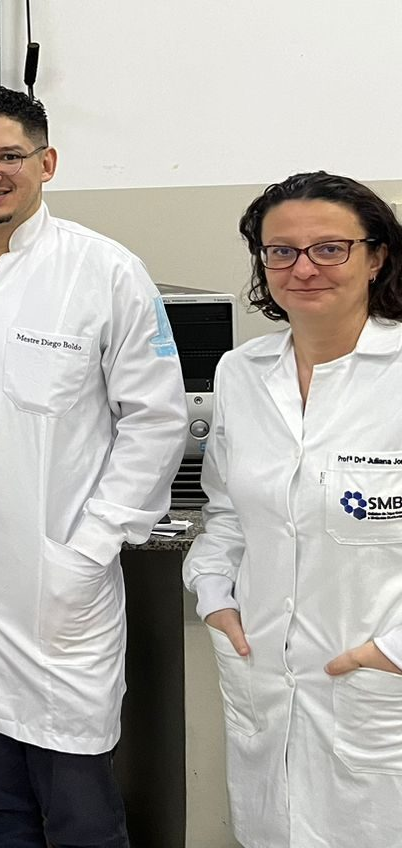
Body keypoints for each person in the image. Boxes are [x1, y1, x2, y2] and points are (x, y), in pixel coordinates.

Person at [0, 85, 188, 847]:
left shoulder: (104, 270)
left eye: (8, 157)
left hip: (55, 584)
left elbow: (156, 419)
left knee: (80, 812)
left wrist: (91, 546)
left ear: (46, 163)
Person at [184, 171, 402, 847]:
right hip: (264, 677)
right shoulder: (241, 372)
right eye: (281, 251)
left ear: (376, 257)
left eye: (330, 248)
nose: (303, 268)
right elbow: (226, 511)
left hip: (378, 685)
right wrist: (213, 593)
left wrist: (389, 653)